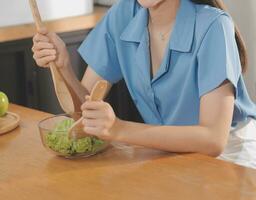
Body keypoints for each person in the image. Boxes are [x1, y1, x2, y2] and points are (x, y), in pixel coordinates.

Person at [32, 0, 256, 168]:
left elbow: (213, 140)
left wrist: (119, 129)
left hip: (231, 157)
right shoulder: (123, 14)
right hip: (169, 153)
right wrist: (63, 68)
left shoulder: (214, 25)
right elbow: (83, 113)